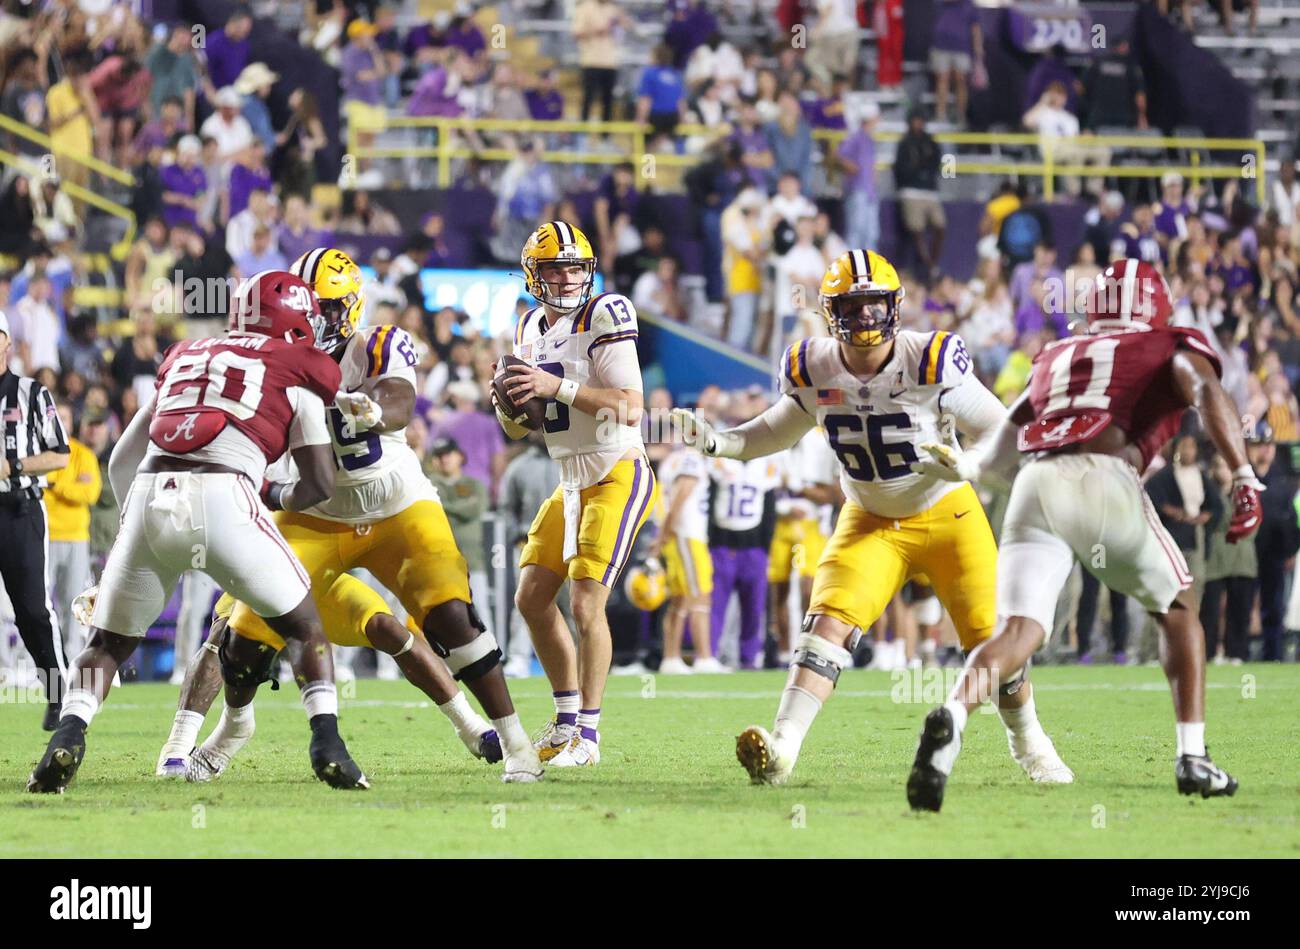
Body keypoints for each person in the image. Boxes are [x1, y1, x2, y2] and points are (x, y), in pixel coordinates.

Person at [673, 249, 1069, 787]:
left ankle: (1031, 744)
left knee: (991, 640)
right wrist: (721, 441)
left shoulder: (929, 359)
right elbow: (773, 432)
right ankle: (783, 749)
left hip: (948, 513)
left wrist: (967, 467)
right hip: (870, 518)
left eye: (873, 306)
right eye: (852, 307)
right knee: (825, 626)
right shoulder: (812, 366)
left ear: (894, 307)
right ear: (831, 311)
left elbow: (1003, 434)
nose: (864, 319)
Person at [159, 249, 541, 784]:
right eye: (310, 306)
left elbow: (400, 398)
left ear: (353, 305)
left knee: (452, 618)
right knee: (244, 632)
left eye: (330, 307)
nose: (319, 318)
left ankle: (516, 743)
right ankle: (229, 729)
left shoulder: (379, 342)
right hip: (315, 512)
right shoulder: (272, 359)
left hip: (397, 506)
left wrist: (373, 408)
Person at [906, 259, 1260, 811]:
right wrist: (1241, 473)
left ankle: (952, 713)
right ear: (1154, 307)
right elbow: (1207, 390)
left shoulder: (1057, 355)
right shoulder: (1166, 343)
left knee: (1020, 629)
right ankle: (1193, 756)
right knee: (1180, 603)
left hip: (1035, 484)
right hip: (1103, 477)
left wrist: (967, 469)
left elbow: (1006, 440)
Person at [27, 271, 369, 793]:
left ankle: (67, 734)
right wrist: (274, 495)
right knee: (305, 627)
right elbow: (319, 482)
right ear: (297, 323)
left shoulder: (185, 357)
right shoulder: (297, 369)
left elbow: (123, 459)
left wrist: (129, 534)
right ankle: (328, 742)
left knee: (106, 645)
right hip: (225, 495)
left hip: (149, 494)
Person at [495, 221, 658, 767]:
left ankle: (588, 737)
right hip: (568, 479)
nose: (566, 278)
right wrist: (509, 408)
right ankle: (565, 723)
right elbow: (525, 428)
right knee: (531, 597)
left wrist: (555, 386)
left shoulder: (606, 312)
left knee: (587, 601)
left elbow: (631, 408)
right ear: (532, 275)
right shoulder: (528, 327)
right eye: (553, 268)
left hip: (616, 468)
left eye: (574, 267)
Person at [0, 311, 70, 732]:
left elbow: (60, 455)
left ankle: (58, 691)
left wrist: (11, 465)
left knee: (30, 609)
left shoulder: (30, 393)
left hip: (17, 510)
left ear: (7, 343)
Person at [651, 442, 726, 674]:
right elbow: (681, 496)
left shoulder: (672, 459)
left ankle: (671, 658)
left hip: (681, 533)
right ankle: (703, 657)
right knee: (699, 595)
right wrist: (663, 535)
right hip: (687, 533)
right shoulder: (690, 458)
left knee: (682, 597)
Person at [43, 402, 101, 665]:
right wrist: (71, 484)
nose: (60, 422)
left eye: (64, 417)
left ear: (71, 421)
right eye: (56, 417)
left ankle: (72, 662)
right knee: (39, 606)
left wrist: (56, 484)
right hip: (45, 536)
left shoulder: (83, 454)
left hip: (77, 538)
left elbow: (90, 493)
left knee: (72, 605)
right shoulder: (38, 453)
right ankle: (39, 662)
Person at [894, 109, 945, 278]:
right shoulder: (905, 143)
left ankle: (933, 264)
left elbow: (943, 164)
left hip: (930, 191)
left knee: (940, 225)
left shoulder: (931, 143)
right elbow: (899, 169)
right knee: (917, 228)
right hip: (911, 191)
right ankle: (927, 264)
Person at [836, 102, 881, 254]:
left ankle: (869, 270)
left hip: (869, 192)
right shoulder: (856, 136)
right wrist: (854, 169)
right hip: (857, 190)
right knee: (856, 231)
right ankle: (853, 269)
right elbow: (840, 156)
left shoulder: (869, 139)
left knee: (871, 233)